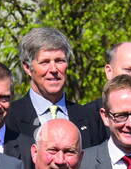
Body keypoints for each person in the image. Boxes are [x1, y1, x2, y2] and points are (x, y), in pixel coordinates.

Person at [5, 27, 100, 155]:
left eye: (59, 61)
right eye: (45, 62)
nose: (54, 69)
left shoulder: (89, 118)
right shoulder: (9, 118)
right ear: (27, 68)